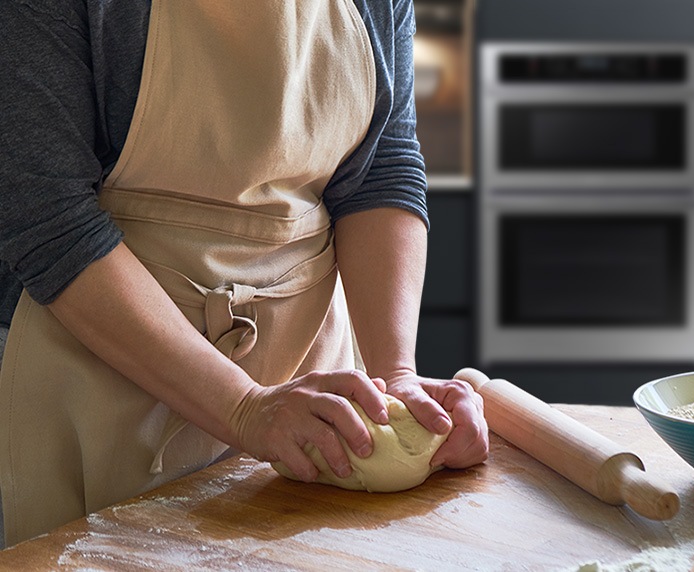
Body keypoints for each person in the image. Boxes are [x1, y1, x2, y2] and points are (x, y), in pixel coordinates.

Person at [0, 0, 489, 547]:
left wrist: (396, 376)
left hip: (311, 378)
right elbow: (50, 220)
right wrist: (243, 407)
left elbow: (379, 168)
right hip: (95, 381)